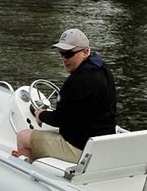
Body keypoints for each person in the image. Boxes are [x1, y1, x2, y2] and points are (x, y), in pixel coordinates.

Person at [16, 28, 117, 163]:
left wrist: (41, 115)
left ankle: (30, 174)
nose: (64, 59)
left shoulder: (78, 81)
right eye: (61, 54)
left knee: (23, 137)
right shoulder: (103, 70)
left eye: (69, 54)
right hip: (101, 143)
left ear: (85, 52)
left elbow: (60, 119)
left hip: (79, 149)